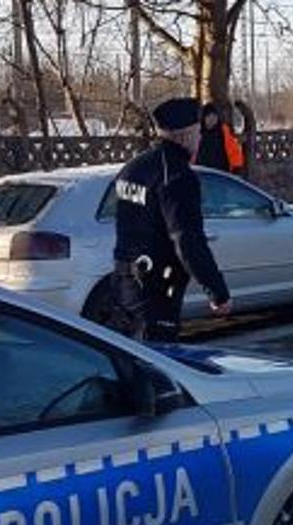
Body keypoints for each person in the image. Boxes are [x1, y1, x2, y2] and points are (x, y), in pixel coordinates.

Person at [97, 97, 232, 342]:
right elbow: (187, 239)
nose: (201, 138)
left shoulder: (134, 167)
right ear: (187, 135)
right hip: (156, 290)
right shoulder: (178, 176)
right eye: (199, 132)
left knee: (130, 361)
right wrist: (217, 292)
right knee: (154, 366)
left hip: (124, 285)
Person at [195, 101, 247, 176]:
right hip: (203, 175)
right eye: (208, 116)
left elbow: (234, 150)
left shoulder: (224, 132)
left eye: (214, 116)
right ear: (204, 118)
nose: (211, 119)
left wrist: (236, 168)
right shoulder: (199, 134)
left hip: (222, 175)